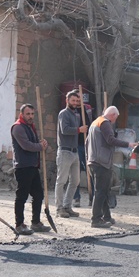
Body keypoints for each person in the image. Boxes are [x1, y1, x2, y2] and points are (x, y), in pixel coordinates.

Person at [87, 106, 137, 228]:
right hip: (101, 162)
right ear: (113, 115)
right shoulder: (105, 123)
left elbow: (87, 141)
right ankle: (96, 219)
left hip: (93, 160)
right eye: (116, 117)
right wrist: (128, 144)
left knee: (103, 191)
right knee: (100, 192)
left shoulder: (95, 122)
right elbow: (110, 140)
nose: (115, 120)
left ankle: (106, 216)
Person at [11, 104, 52, 235]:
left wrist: (42, 144)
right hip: (23, 166)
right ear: (22, 114)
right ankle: (19, 224)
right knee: (22, 196)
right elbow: (26, 145)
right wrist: (39, 146)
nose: (31, 116)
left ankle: (36, 222)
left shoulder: (30, 127)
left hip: (33, 166)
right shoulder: (18, 128)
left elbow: (34, 144)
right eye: (28, 114)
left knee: (38, 195)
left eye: (32, 114)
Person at [54, 90, 86, 218]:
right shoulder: (64, 114)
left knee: (75, 181)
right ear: (67, 101)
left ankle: (67, 206)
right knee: (61, 181)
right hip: (65, 151)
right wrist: (79, 130)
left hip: (74, 151)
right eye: (73, 100)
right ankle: (59, 208)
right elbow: (65, 130)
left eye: (77, 101)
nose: (75, 103)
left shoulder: (76, 114)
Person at [73, 102, 93, 207]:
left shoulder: (88, 109)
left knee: (90, 171)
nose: (77, 101)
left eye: (78, 98)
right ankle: (76, 198)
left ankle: (92, 197)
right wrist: (79, 129)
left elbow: (93, 123)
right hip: (77, 145)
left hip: (87, 144)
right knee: (76, 172)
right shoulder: (72, 111)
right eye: (75, 99)